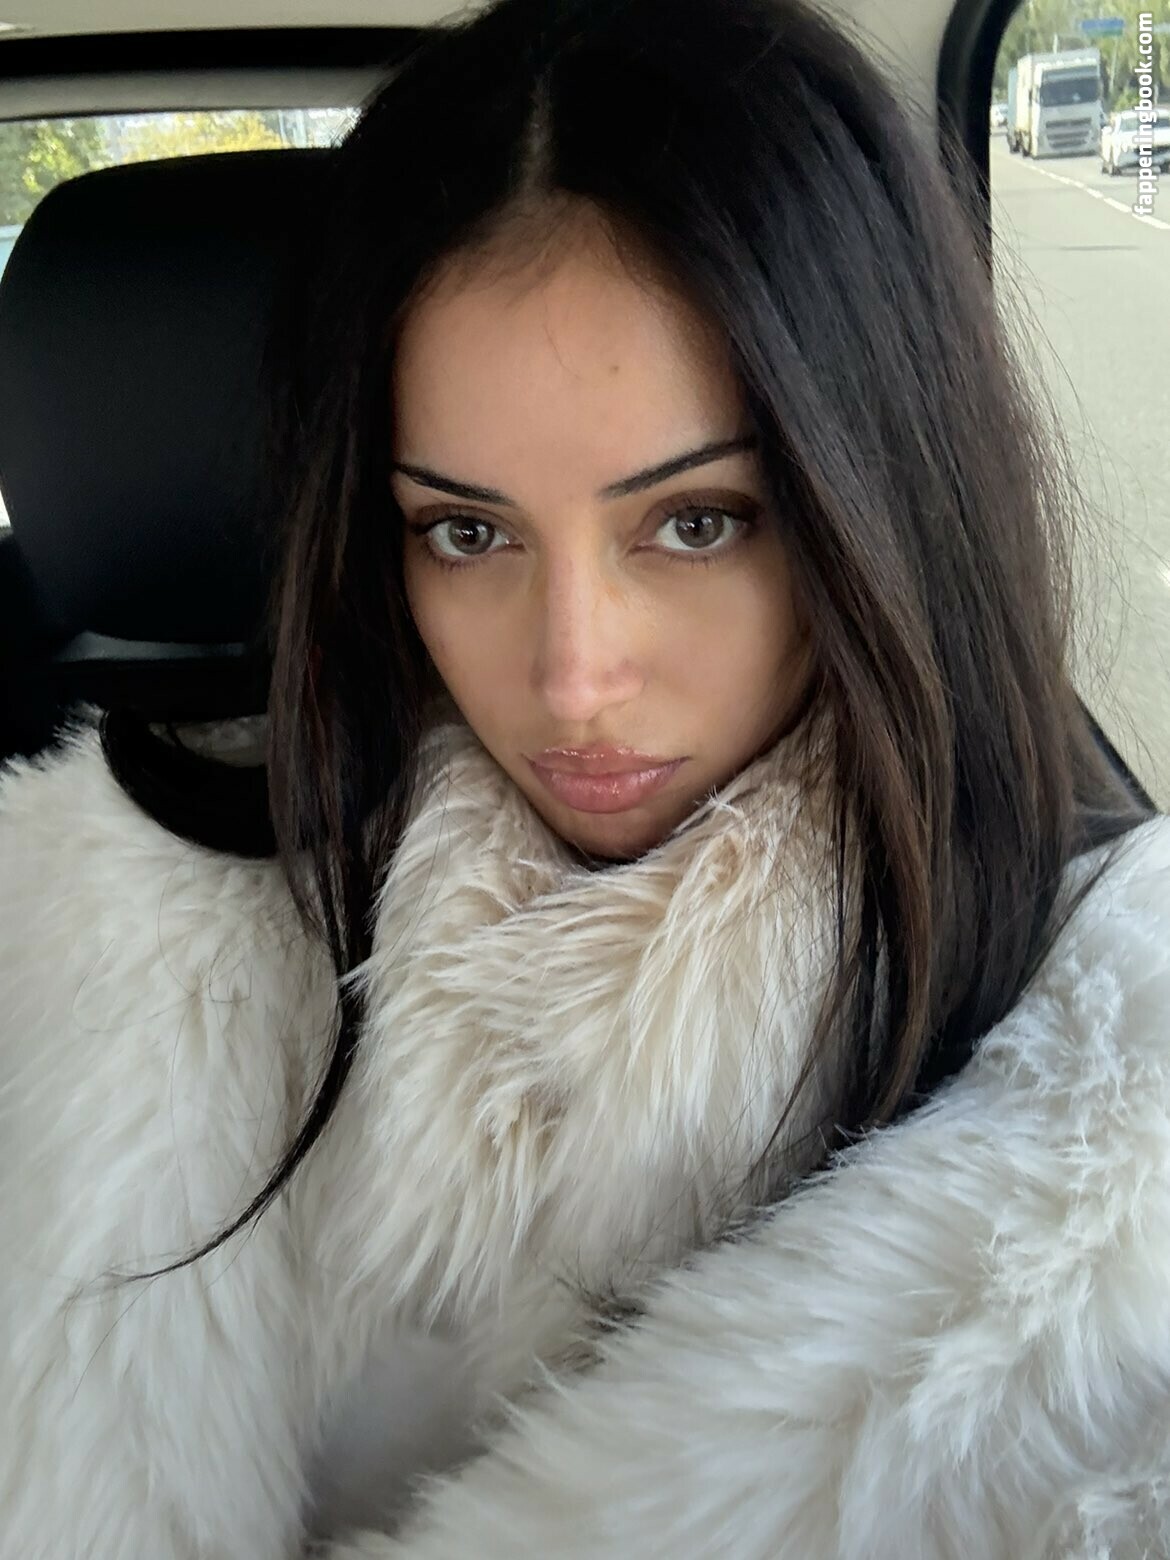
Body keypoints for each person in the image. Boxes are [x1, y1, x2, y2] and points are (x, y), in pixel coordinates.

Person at [1, 0, 1168, 1554]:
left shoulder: (1111, 1114)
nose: (569, 677)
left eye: (696, 522)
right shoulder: (106, 938)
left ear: (879, 498)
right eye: (465, 532)